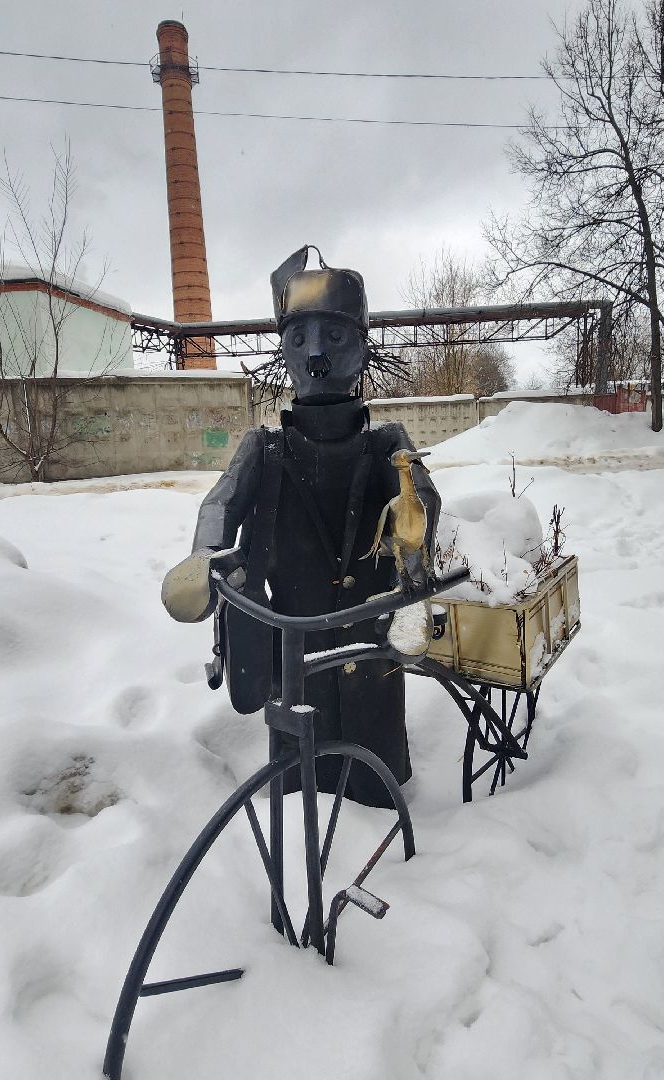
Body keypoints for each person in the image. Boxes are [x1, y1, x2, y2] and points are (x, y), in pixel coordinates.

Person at [161, 247, 440, 807]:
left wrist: (414, 556)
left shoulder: (388, 445)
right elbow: (218, 508)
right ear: (284, 352)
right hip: (295, 639)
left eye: (334, 337)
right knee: (298, 764)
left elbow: (423, 505)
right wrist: (208, 560)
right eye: (297, 338)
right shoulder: (264, 449)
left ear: (363, 348)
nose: (315, 354)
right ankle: (300, 793)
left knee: (373, 747)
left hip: (369, 635)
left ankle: (379, 796)